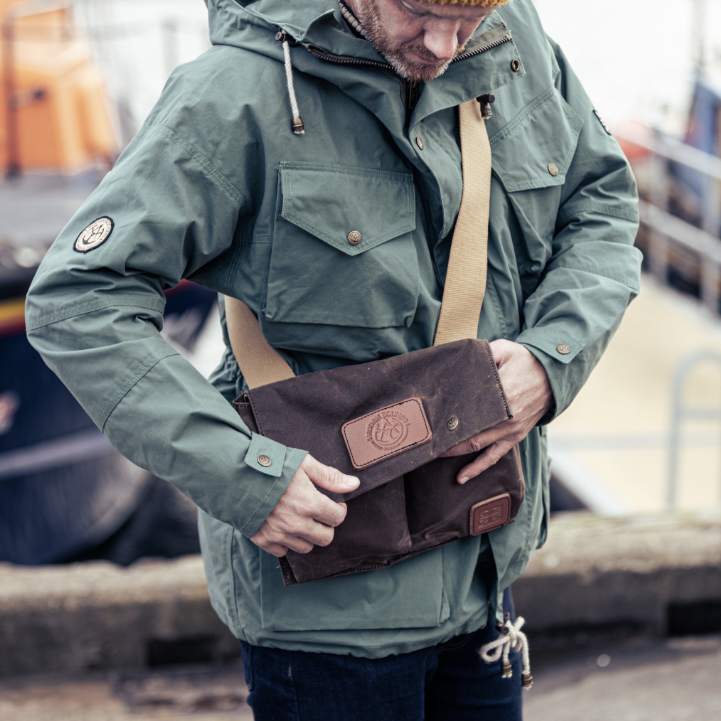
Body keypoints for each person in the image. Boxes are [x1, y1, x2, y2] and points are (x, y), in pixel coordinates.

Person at [25, 0, 641, 718]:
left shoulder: (512, 35)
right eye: (421, 12)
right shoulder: (233, 93)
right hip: (325, 624)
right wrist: (241, 476)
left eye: (469, 16)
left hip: (482, 577)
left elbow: (598, 201)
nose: (445, 44)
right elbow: (78, 300)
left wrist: (550, 359)